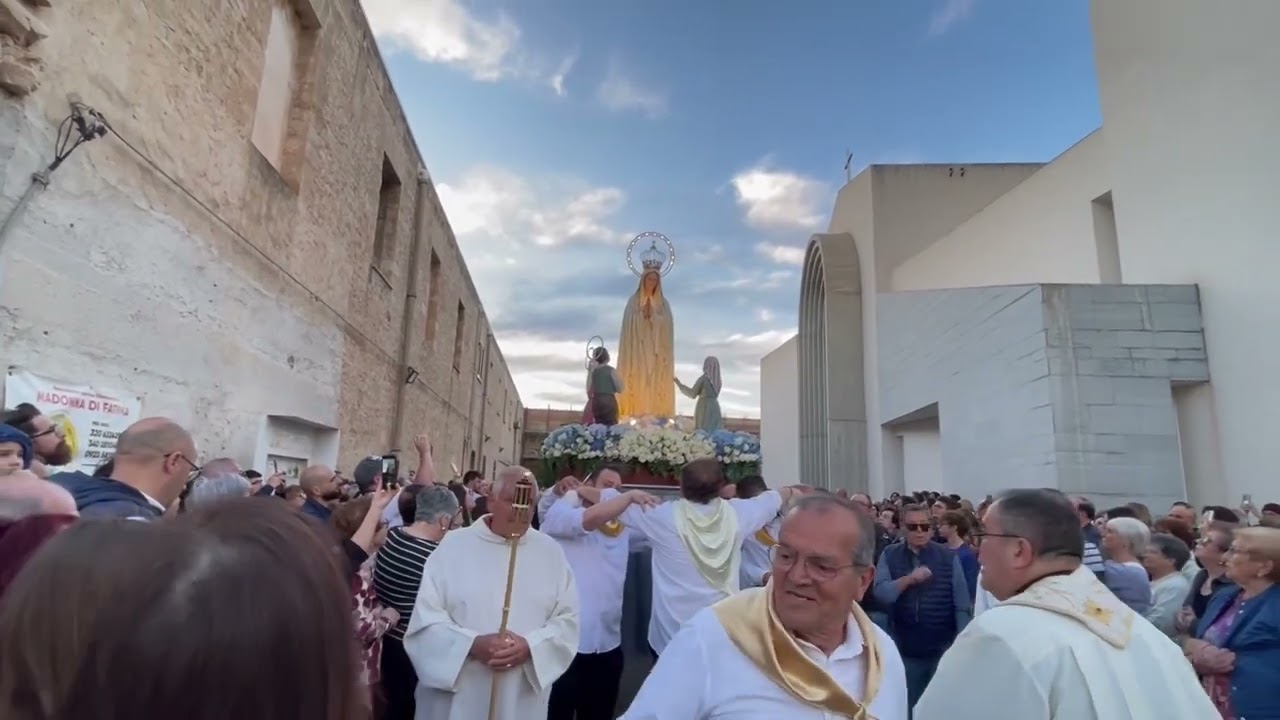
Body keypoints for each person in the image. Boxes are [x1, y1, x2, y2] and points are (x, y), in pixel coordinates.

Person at [915, 489, 1217, 720]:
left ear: (1019, 550)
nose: (977, 549)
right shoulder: (1143, 633)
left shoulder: (1000, 636)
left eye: (982, 536)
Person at [622, 494, 908, 719]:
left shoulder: (883, 656)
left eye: (821, 566)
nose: (796, 576)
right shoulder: (711, 638)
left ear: (863, 580)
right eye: (786, 556)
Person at [404, 467, 579, 720]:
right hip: (457, 699)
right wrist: (471, 644)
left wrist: (530, 646)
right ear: (490, 500)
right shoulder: (453, 547)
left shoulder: (551, 553)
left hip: (519, 698)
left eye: (528, 503)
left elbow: (568, 620)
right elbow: (425, 620)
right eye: (512, 501)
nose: (520, 511)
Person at [603, 458, 804, 658]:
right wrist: (792, 491)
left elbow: (610, 502)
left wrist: (621, 494)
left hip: (671, 637)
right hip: (719, 634)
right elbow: (773, 498)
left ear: (682, 487)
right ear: (720, 488)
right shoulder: (739, 514)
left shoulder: (662, 516)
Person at [542, 470, 658, 720]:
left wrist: (627, 501)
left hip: (608, 644)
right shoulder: (564, 511)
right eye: (607, 485)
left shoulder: (623, 527)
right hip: (566, 643)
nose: (613, 492)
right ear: (590, 484)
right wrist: (622, 497)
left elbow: (656, 525)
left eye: (618, 488)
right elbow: (586, 519)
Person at [1186, 526, 1280, 719]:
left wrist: (1221, 660)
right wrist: (1195, 649)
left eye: (1235, 551)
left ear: (1264, 567)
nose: (1224, 558)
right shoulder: (1224, 596)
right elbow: (1195, 639)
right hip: (1210, 706)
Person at [48, 417, 196, 520]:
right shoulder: (136, 527)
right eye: (190, 470)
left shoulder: (54, 486)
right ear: (174, 461)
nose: (184, 486)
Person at [616, 265, 675, 418]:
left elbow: (667, 324)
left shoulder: (663, 304)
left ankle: (657, 414)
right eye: (650, 279)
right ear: (643, 280)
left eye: (655, 280)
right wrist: (641, 316)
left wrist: (654, 317)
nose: (652, 283)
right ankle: (633, 413)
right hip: (637, 348)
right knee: (637, 378)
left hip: (656, 350)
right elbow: (629, 322)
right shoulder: (633, 302)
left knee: (655, 381)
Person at [674, 356, 723, 432]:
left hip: (704, 408)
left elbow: (692, 394)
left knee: (703, 431)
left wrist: (679, 384)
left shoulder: (703, 379)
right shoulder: (718, 381)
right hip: (715, 408)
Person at [586, 348, 623, 426]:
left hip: (596, 400)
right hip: (608, 400)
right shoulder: (611, 370)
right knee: (611, 425)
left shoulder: (593, 372)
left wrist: (590, 371)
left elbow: (588, 390)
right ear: (606, 357)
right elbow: (620, 389)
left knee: (599, 426)